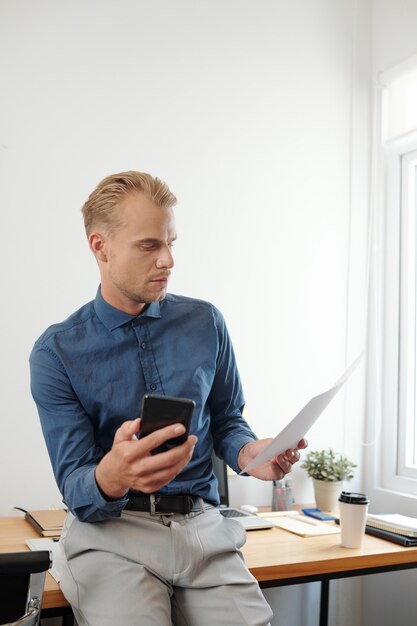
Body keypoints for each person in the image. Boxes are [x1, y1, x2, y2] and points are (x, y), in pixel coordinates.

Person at [30, 171, 307, 626]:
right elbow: (76, 486)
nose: (168, 260)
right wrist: (113, 474)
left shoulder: (206, 322)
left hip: (203, 529)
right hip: (111, 534)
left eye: (171, 242)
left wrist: (250, 454)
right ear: (100, 246)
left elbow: (227, 421)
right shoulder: (56, 353)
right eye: (149, 245)